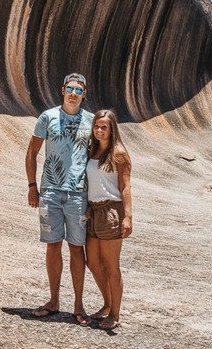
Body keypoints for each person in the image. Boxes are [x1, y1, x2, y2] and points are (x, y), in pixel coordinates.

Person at [25, 73, 93, 325]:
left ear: (84, 94)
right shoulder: (47, 117)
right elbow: (32, 152)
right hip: (51, 191)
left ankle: (78, 304)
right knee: (52, 244)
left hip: (78, 193)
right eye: (71, 88)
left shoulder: (91, 121)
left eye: (79, 90)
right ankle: (54, 300)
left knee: (77, 247)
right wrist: (32, 186)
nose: (74, 93)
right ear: (62, 89)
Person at [84, 109, 132, 330]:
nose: (100, 130)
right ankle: (107, 303)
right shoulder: (92, 150)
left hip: (111, 211)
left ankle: (114, 313)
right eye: (97, 126)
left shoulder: (119, 152)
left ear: (112, 129)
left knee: (111, 266)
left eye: (104, 127)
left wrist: (128, 217)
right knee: (93, 262)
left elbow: (125, 186)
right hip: (93, 211)